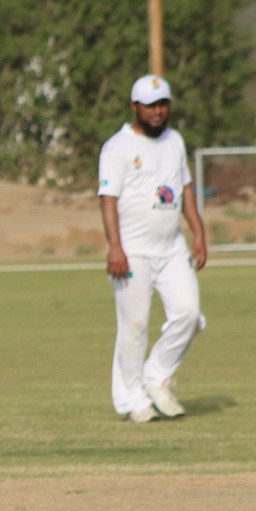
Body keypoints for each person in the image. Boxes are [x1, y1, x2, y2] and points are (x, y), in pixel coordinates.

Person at [97, 74, 207, 424]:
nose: (157, 112)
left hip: (171, 248)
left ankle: (156, 376)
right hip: (132, 251)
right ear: (134, 107)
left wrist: (198, 232)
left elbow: (185, 189)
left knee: (189, 314)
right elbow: (108, 199)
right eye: (150, 106)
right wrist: (115, 247)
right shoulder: (118, 147)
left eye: (163, 105)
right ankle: (131, 399)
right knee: (134, 326)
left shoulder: (175, 140)